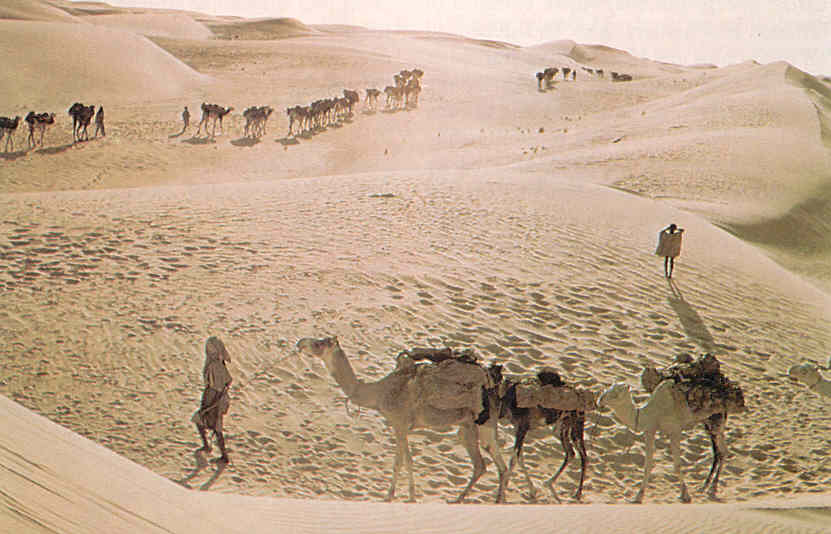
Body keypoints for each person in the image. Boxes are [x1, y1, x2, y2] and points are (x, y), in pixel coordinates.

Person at [192, 336, 233, 463]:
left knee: (214, 427)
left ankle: (223, 456)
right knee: (201, 421)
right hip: (215, 399)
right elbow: (228, 380)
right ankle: (207, 446)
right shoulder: (218, 363)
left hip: (214, 400)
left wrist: (210, 404)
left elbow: (216, 387)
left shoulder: (215, 365)